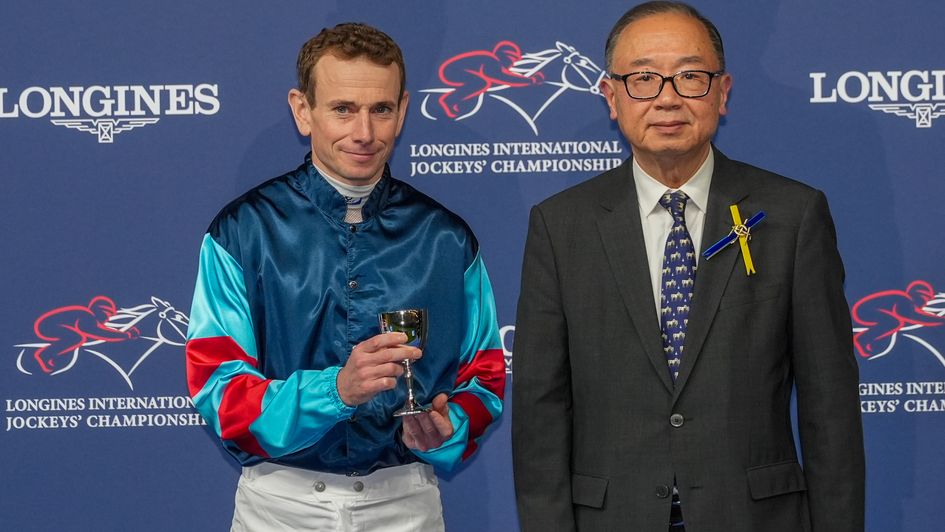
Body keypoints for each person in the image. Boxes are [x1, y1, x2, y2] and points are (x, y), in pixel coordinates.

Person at [511, 2, 864, 531]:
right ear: (612, 97)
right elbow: (540, 412)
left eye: (690, 77)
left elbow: (829, 406)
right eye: (644, 79)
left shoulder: (793, 214)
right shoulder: (561, 226)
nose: (668, 98)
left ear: (722, 93)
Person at [185, 22, 505, 532]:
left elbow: (485, 379)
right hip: (279, 506)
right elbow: (218, 391)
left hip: (406, 503)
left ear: (402, 112)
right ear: (302, 110)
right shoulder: (242, 231)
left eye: (380, 109)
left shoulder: (446, 238)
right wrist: (336, 389)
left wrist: (447, 429)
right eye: (343, 109)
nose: (364, 133)